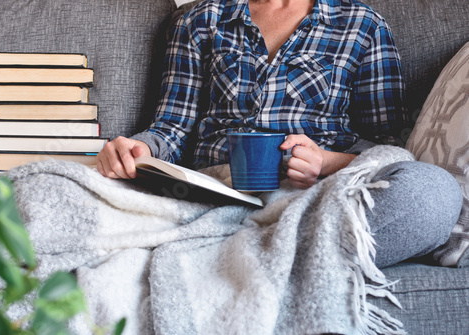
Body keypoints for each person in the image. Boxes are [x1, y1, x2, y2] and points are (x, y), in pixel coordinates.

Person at [96, 0, 462, 268]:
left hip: (315, 201)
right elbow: (172, 127)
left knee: (433, 192)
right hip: (212, 197)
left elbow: (389, 147)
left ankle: (240, 260)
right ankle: (265, 261)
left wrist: (324, 162)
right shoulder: (198, 20)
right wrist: (138, 147)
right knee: (51, 184)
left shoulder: (362, 25)